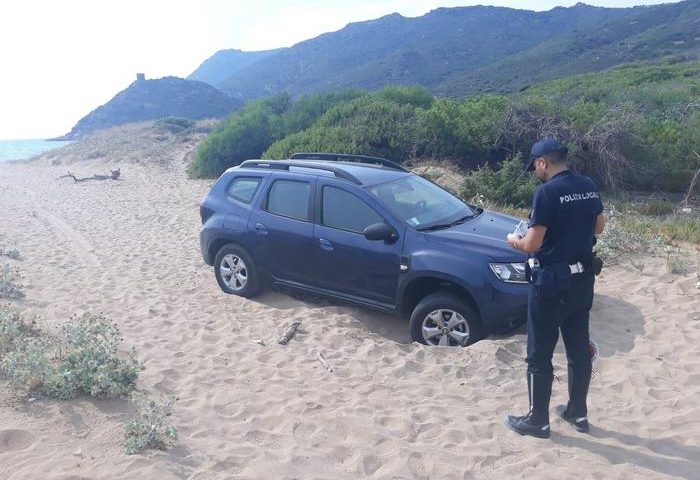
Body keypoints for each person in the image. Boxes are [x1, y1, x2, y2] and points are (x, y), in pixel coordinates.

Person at [504, 138, 605, 439]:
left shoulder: (547, 192)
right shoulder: (587, 184)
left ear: (543, 163)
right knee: (578, 348)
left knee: (539, 355)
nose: (536, 170)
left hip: (550, 286)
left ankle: (538, 421)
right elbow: (599, 227)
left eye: (535, 165)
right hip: (582, 282)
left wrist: (515, 241)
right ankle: (578, 413)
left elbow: (532, 243)